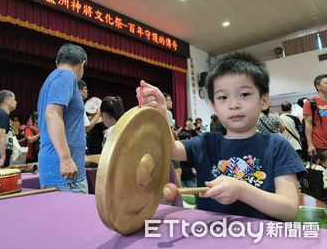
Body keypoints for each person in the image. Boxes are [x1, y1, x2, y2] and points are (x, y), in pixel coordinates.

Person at [137, 52, 305, 221]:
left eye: (245, 94)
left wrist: (242, 191)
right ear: (214, 107)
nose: (234, 105)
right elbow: (170, 149)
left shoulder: (277, 146)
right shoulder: (206, 142)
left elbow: (289, 210)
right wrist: (161, 112)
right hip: (210, 237)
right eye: (223, 97)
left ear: (264, 100)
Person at [37, 43, 88, 193]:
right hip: (65, 174)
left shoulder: (52, 79)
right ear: (82, 64)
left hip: (59, 170)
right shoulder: (67, 76)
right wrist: (66, 159)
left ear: (57, 62)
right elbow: (52, 114)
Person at [303, 74, 327, 160]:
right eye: (326, 83)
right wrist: (310, 144)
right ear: (318, 86)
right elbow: (308, 125)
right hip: (320, 145)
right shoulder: (310, 103)